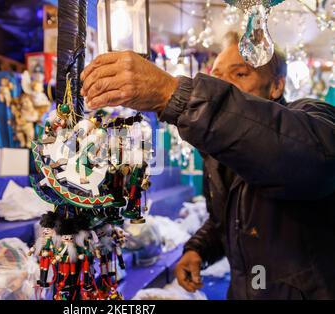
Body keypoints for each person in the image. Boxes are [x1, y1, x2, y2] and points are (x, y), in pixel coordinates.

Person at [80, 32, 335, 299]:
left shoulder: (311, 116)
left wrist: (175, 94)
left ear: (276, 86)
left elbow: (313, 161)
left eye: (240, 74)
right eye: (217, 74)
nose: (223, 84)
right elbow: (228, 217)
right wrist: (198, 250)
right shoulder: (221, 152)